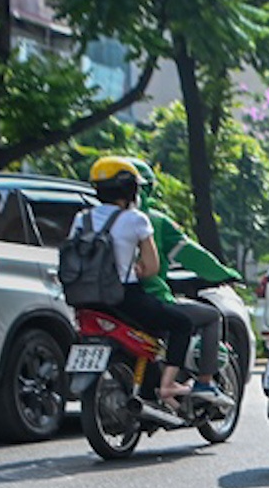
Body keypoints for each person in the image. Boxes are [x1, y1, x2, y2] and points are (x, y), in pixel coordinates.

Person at [77, 157, 227, 407]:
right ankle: (168, 385)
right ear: (131, 189)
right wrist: (135, 269)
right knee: (180, 323)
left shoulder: (82, 219)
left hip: (88, 299)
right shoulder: (137, 219)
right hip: (125, 298)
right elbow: (152, 268)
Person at [129, 158, 239, 409]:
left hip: (110, 300)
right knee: (211, 316)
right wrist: (224, 273)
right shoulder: (152, 221)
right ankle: (204, 381)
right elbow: (193, 256)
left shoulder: (95, 219)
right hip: (151, 298)